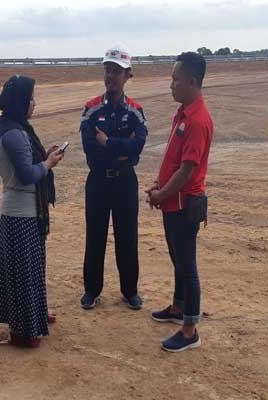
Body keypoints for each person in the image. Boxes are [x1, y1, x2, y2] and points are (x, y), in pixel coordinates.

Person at [0, 74, 64, 348]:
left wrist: (45, 157)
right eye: (31, 99)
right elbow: (28, 174)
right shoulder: (15, 133)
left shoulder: (14, 127)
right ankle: (22, 331)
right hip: (21, 213)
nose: (34, 104)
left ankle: (34, 315)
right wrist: (49, 163)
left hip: (26, 211)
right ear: (20, 102)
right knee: (23, 272)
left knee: (30, 269)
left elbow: (28, 165)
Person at [146, 52, 214, 352]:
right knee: (178, 261)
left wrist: (162, 194)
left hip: (185, 204)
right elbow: (175, 161)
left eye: (175, 79)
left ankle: (189, 330)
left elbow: (187, 171)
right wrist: (160, 185)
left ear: (192, 82)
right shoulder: (183, 113)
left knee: (188, 267)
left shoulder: (198, 120)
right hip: (173, 201)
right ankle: (177, 308)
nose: (170, 84)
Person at [80, 43, 148, 310]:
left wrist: (108, 143)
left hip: (124, 181)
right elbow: (89, 148)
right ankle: (91, 290)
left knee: (127, 237)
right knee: (94, 236)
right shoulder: (90, 108)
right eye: (107, 69)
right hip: (97, 180)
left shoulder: (136, 110)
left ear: (127, 75)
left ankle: (130, 290)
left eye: (116, 71)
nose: (110, 76)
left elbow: (138, 147)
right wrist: (122, 148)